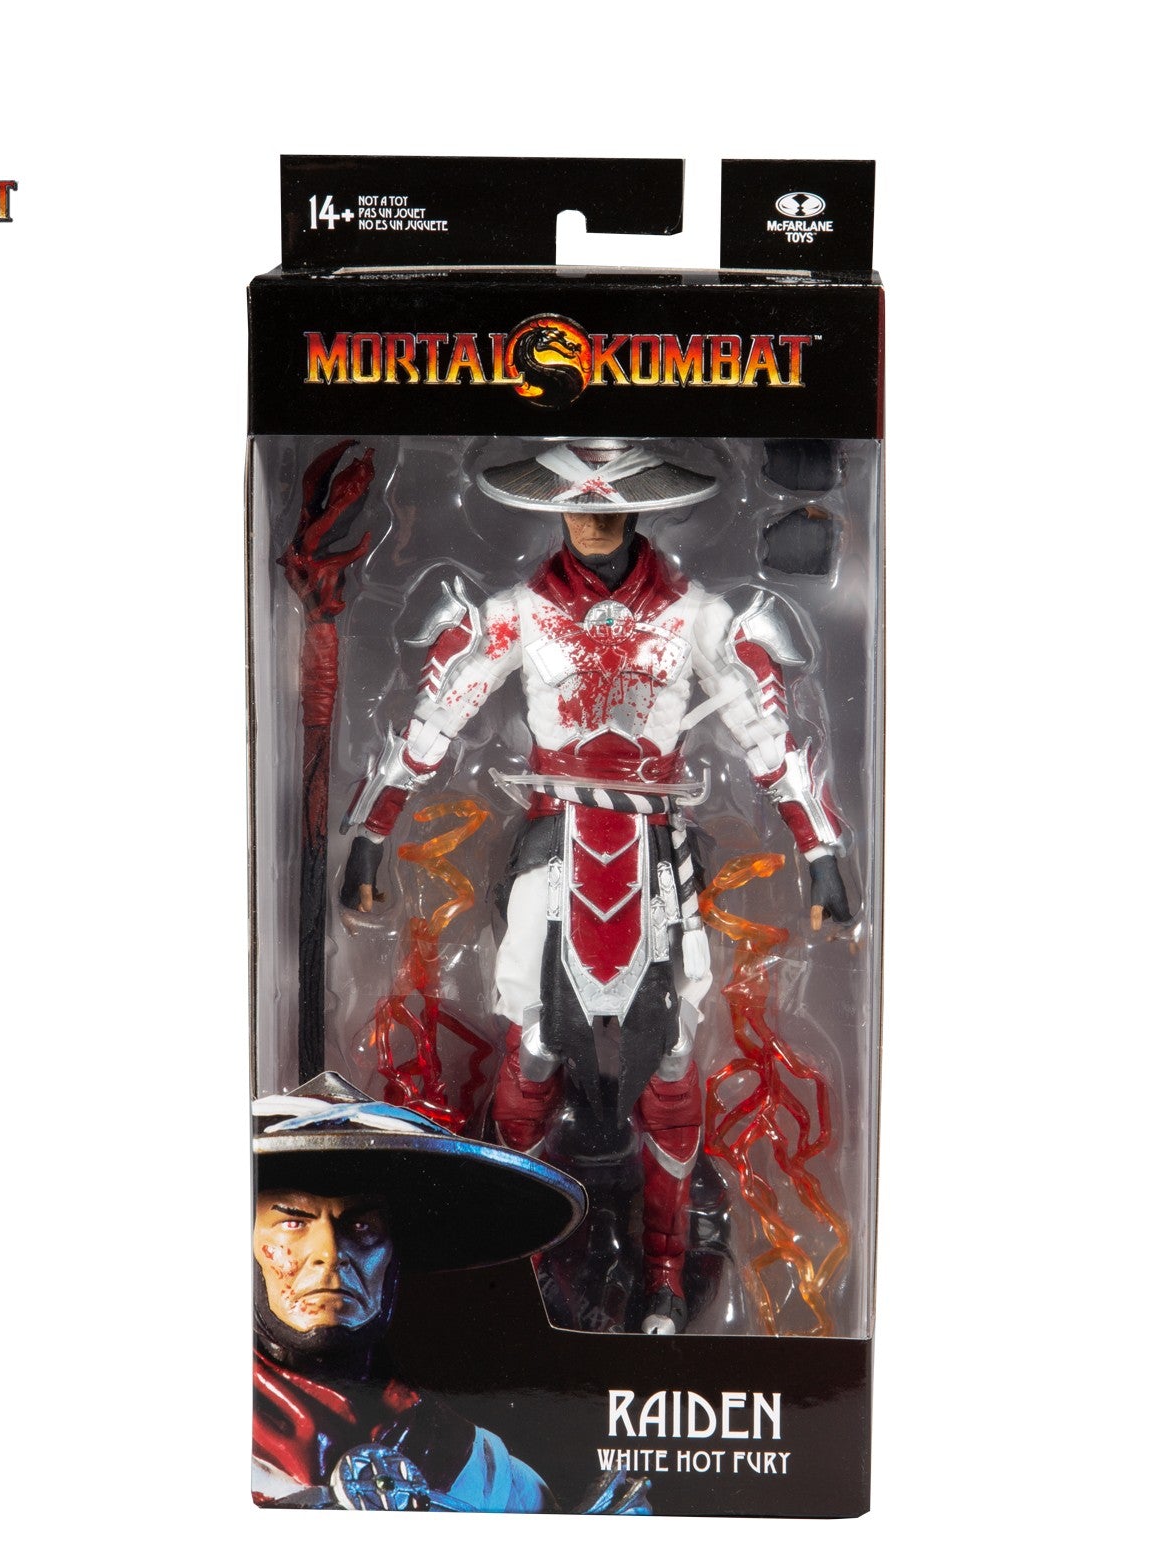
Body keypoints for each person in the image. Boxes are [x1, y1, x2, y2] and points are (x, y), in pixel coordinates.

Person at [340, 439, 854, 1333]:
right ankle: (523, 1260)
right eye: (576, 505)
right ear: (554, 510)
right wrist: (369, 841)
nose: (593, 519)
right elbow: (433, 721)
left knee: (672, 1054)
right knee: (534, 1042)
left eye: (611, 505)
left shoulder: (696, 617)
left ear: (641, 507)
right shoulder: (517, 615)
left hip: (657, 849)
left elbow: (768, 736)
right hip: (554, 845)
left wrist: (821, 855)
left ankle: (664, 1274)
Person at [251, 1073, 585, 1511]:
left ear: (395, 1254)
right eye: (293, 1223)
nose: (329, 1255)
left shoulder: (488, 1476)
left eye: (362, 1228)